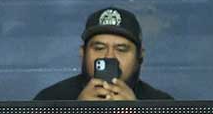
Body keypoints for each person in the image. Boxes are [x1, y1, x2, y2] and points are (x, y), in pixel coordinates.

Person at [34, 6, 174, 100]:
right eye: (99, 48)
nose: (109, 57)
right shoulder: (50, 100)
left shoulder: (161, 105)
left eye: (121, 49)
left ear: (140, 55)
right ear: (83, 53)